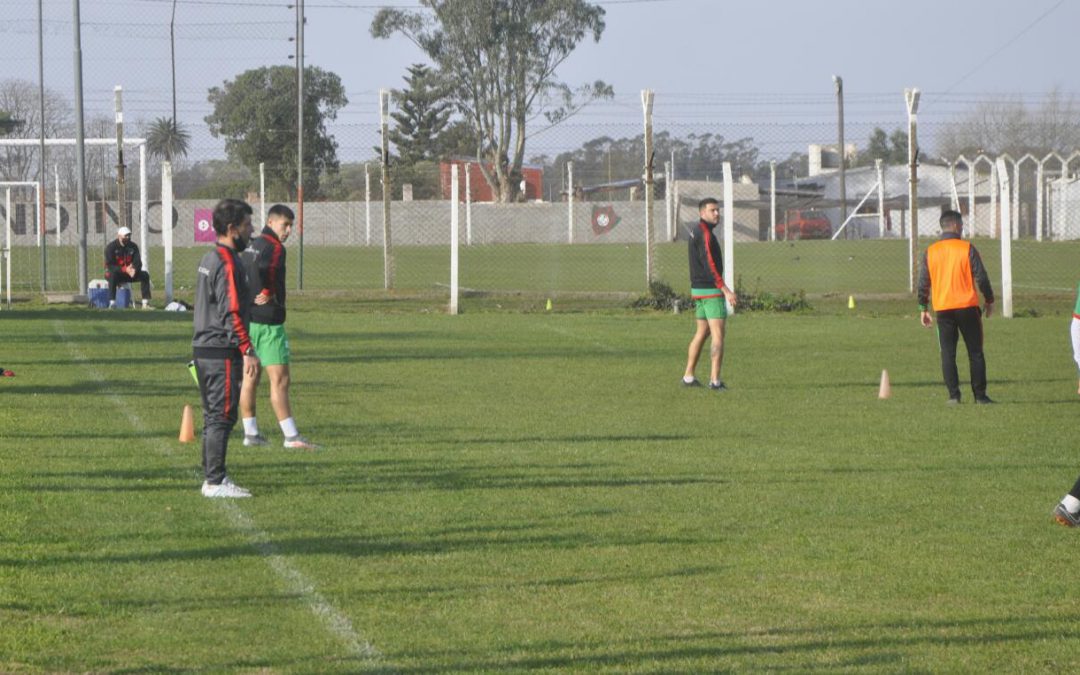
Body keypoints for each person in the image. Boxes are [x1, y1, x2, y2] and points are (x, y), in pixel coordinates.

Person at [191, 199, 258, 498]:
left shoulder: (208, 257)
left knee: (212, 414)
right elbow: (230, 311)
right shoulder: (228, 262)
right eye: (247, 225)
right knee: (222, 415)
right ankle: (215, 481)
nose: (251, 231)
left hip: (203, 347)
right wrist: (247, 349)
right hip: (221, 349)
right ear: (232, 229)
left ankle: (212, 473)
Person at [238, 204, 319, 450]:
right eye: (285, 225)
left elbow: (247, 271)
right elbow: (268, 269)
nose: (288, 230)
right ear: (271, 222)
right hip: (270, 323)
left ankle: (250, 434)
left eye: (291, 226)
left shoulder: (251, 245)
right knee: (280, 380)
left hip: (248, 321)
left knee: (249, 378)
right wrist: (268, 290)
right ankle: (291, 436)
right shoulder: (274, 247)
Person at [917, 209, 995, 405]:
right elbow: (982, 277)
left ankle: (954, 396)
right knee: (975, 352)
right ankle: (980, 396)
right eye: (961, 225)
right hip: (967, 307)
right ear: (956, 226)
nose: (962, 228)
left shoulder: (931, 252)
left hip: (943, 309)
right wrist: (989, 299)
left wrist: (923, 308)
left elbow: (923, 282)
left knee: (947, 352)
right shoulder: (967, 248)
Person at [682, 197, 738, 391]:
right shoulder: (704, 233)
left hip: (697, 290)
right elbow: (710, 264)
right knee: (718, 335)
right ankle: (715, 381)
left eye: (717, 210)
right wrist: (725, 290)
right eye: (712, 210)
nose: (717, 214)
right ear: (702, 213)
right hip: (710, 291)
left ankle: (688, 376)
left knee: (702, 332)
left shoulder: (697, 232)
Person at [104, 226, 152, 309]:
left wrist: (134, 269)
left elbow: (138, 262)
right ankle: (112, 303)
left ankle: (145, 303)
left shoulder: (133, 246)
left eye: (129, 235)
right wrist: (124, 269)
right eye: (125, 236)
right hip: (117, 273)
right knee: (111, 275)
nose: (128, 238)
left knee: (145, 275)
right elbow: (110, 265)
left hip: (130, 274)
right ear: (119, 236)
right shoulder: (110, 247)